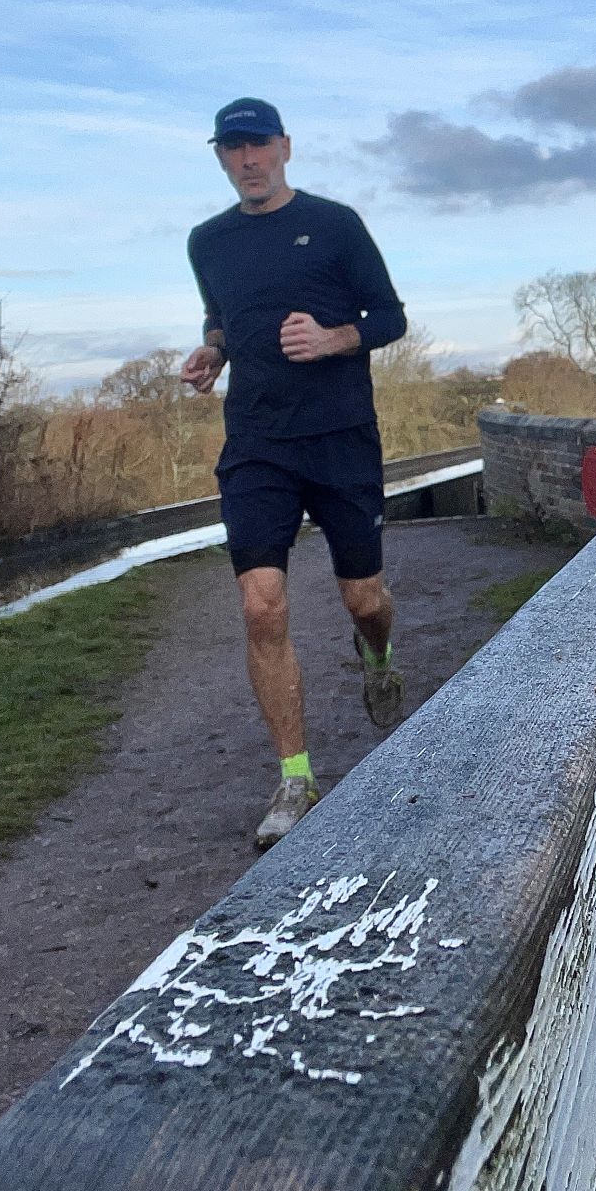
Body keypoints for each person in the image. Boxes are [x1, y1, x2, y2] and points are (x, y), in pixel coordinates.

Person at [181, 97, 408, 849]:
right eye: (233, 148)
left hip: (340, 438)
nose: (248, 160)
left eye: (259, 145)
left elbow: (390, 318)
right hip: (257, 444)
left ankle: (376, 651)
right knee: (261, 604)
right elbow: (222, 317)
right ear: (220, 157)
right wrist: (214, 351)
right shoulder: (206, 241)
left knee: (363, 597)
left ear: (285, 148)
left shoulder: (336, 224)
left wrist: (336, 335)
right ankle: (296, 777)